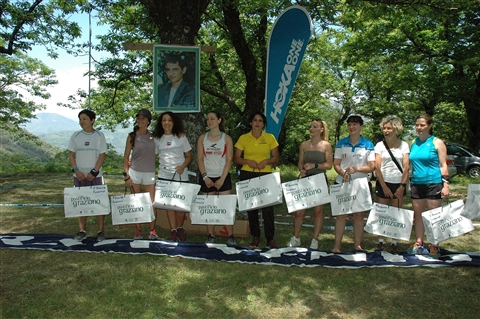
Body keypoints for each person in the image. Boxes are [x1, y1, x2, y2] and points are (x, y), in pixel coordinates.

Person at [234, 112, 279, 249]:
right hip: (247, 174)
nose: (257, 123)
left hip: (265, 175)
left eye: (260, 120)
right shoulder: (243, 138)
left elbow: (276, 157)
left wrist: (267, 161)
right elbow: (236, 158)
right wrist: (247, 161)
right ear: (251, 123)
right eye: (255, 120)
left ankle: (270, 238)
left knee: (267, 209)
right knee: (251, 207)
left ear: (263, 124)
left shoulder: (270, 137)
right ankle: (255, 236)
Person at [407, 113, 449, 259]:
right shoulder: (413, 142)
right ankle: (419, 243)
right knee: (418, 216)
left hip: (434, 183)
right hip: (417, 183)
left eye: (422, 125)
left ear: (429, 126)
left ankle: (435, 245)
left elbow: (443, 165)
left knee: (434, 216)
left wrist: (445, 185)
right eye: (417, 125)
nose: (419, 128)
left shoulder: (437, 142)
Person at [332, 115, 375, 253]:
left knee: (359, 216)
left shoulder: (368, 144)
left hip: (361, 183)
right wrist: (342, 173)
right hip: (342, 182)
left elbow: (371, 166)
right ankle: (337, 245)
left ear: (361, 126)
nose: (352, 127)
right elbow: (336, 164)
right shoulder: (341, 143)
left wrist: (356, 169)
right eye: (349, 124)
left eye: (355, 124)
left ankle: (357, 245)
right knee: (341, 215)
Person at [288, 119, 333, 250]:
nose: (311, 129)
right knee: (299, 212)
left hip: (319, 180)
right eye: (310, 127)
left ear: (321, 129)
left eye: (315, 127)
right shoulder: (304, 145)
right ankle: (296, 238)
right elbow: (300, 161)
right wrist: (301, 169)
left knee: (318, 212)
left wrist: (315, 165)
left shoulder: (326, 145)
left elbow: (329, 165)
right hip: (305, 180)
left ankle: (315, 240)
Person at [68, 109, 108, 242]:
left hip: (95, 176)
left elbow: (102, 155)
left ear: (92, 120)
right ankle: (81, 231)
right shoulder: (75, 135)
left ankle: (100, 231)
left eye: (84, 119)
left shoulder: (99, 135)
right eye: (80, 119)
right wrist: (77, 171)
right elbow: (71, 155)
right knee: (81, 203)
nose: (82, 122)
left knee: (99, 203)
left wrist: (94, 172)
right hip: (79, 175)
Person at [197, 111, 236, 245]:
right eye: (208, 119)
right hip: (206, 176)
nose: (209, 121)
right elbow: (200, 159)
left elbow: (229, 160)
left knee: (225, 207)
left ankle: (230, 236)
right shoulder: (202, 138)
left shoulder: (227, 138)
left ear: (219, 120)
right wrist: (205, 177)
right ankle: (210, 235)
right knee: (209, 207)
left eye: (212, 118)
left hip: (222, 176)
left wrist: (222, 179)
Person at [153, 111, 193, 242]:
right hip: (164, 175)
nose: (166, 123)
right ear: (161, 123)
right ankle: (173, 230)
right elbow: (152, 156)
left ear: (174, 122)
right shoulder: (157, 139)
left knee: (180, 207)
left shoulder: (181, 137)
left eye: (169, 120)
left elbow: (189, 156)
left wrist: (182, 166)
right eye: (164, 120)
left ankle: (180, 227)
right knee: (169, 205)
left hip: (180, 175)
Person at [373, 116, 410, 254]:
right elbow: (377, 167)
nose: (386, 131)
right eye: (384, 128)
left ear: (396, 129)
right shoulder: (379, 145)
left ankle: (394, 242)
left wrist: (402, 185)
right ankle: (380, 241)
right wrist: (384, 186)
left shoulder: (404, 145)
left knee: (396, 214)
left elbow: (406, 168)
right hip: (384, 182)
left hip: (399, 182)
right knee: (382, 213)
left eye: (389, 128)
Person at [123, 109, 158, 240]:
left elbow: (157, 152)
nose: (141, 120)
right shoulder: (132, 136)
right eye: (139, 118)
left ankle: (152, 230)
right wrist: (126, 174)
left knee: (151, 203)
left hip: (149, 172)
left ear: (148, 121)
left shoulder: (154, 136)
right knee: (136, 202)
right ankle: (138, 230)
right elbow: (126, 156)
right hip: (135, 172)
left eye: (144, 118)